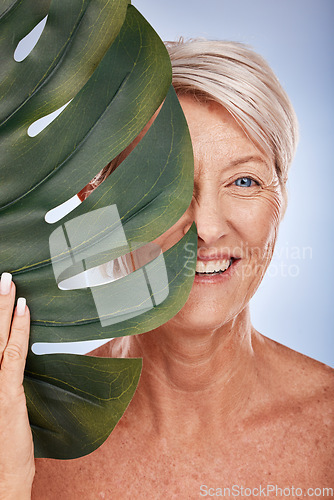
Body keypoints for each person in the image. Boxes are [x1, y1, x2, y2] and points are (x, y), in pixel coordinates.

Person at [1, 39, 333, 499]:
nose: (209, 228)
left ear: (282, 199)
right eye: (169, 182)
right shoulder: (19, 436)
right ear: (97, 200)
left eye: (244, 180)